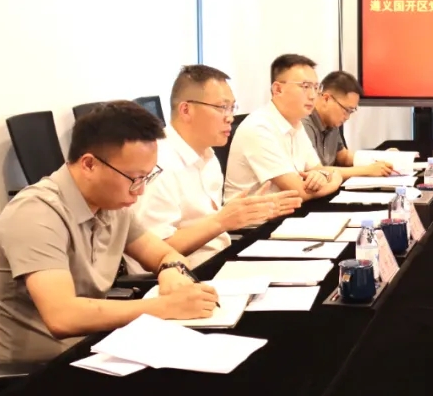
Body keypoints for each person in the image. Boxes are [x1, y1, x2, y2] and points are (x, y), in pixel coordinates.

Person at [0, 102, 218, 365]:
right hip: (25, 373)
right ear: (90, 165)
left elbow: (163, 253)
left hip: (86, 352)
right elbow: (63, 316)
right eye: (134, 178)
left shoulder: (112, 204)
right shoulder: (36, 214)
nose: (140, 191)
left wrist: (170, 271)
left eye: (146, 177)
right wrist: (166, 307)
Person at [125, 65, 302, 274]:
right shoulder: (158, 165)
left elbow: (212, 224)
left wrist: (244, 213)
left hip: (219, 261)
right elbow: (155, 251)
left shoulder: (207, 154)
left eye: (232, 108)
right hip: (184, 277)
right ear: (186, 110)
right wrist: (222, 221)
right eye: (221, 107)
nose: (230, 117)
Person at [224, 54, 345, 201]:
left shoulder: (296, 123)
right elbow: (299, 192)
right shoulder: (259, 127)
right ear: (278, 89)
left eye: (316, 87)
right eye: (305, 86)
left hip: (286, 210)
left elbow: (319, 169)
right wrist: (336, 180)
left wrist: (321, 176)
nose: (313, 95)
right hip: (257, 215)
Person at [303, 70, 395, 178]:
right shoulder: (304, 124)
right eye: (346, 110)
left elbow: (344, 157)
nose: (347, 117)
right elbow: (316, 171)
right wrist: (367, 170)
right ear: (326, 99)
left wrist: (382, 157)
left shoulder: (332, 123)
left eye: (351, 111)